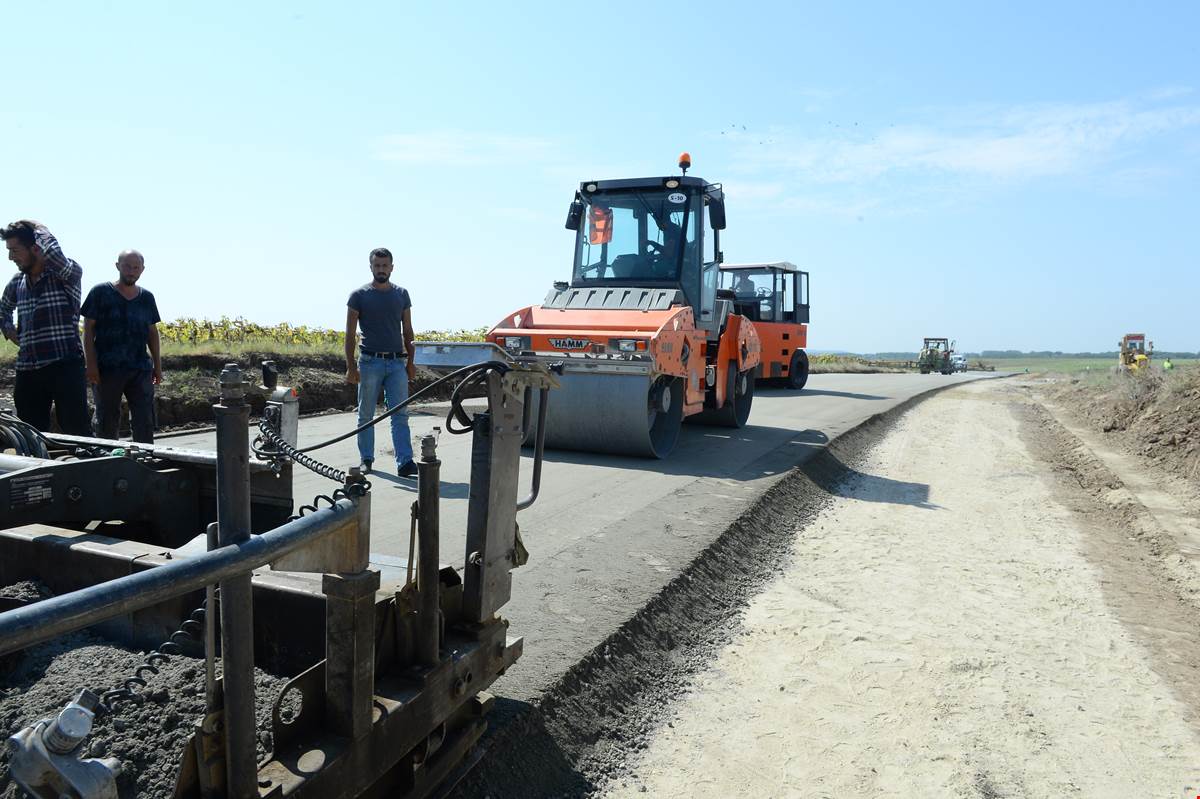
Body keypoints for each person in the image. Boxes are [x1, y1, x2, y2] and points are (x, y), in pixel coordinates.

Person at [0, 220, 91, 435]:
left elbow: (52, 255)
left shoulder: (66, 275)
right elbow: (2, 309)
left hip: (64, 365)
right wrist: (8, 328)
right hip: (28, 369)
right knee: (31, 434)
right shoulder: (17, 281)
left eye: (15, 250)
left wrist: (41, 229)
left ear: (35, 248)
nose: (11, 257)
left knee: (76, 430)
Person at [345, 247, 417, 478]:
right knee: (366, 414)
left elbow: (408, 331)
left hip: (396, 363)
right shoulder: (359, 295)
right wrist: (350, 366)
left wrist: (411, 362)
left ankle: (405, 462)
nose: (381, 270)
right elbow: (349, 334)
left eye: (385, 266)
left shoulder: (401, 294)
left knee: (400, 413)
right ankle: (366, 459)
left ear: (392, 267)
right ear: (371, 267)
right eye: (377, 266)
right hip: (369, 362)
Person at [81, 250, 163, 442]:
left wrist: (157, 366)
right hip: (107, 369)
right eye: (127, 266)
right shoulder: (100, 292)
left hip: (140, 368)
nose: (131, 271)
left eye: (136, 267)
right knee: (107, 419)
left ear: (142, 270)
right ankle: (107, 461)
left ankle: (145, 459)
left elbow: (152, 332)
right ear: (118, 266)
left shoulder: (147, 298)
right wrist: (90, 364)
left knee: (144, 418)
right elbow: (88, 330)